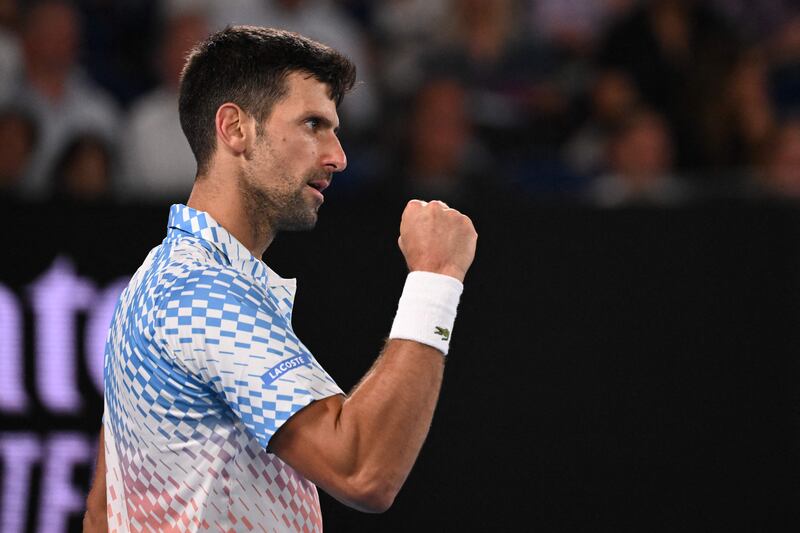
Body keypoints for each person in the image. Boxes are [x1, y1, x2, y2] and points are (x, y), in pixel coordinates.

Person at [83, 26, 477, 532]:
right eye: (313, 124)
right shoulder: (200, 293)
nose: (338, 156)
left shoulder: (158, 281)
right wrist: (435, 278)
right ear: (235, 128)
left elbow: (103, 512)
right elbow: (363, 470)